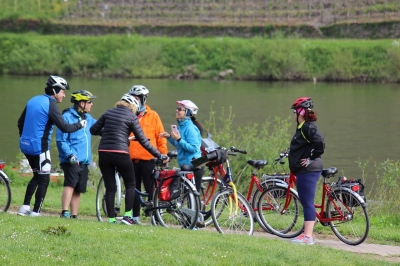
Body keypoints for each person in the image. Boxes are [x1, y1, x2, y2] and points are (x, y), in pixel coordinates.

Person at [90, 93, 168, 225]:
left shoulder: (108, 112)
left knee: (110, 188)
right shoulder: (132, 117)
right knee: (131, 184)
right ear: (133, 106)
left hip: (103, 152)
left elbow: (93, 130)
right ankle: (127, 216)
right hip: (120, 152)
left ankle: (111, 219)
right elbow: (144, 141)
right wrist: (159, 155)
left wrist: (110, 132)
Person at [17, 75, 87, 217]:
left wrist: (25, 138)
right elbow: (65, 127)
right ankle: (36, 212)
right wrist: (80, 125)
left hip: (25, 146)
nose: (64, 95)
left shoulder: (33, 100)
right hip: (40, 148)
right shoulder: (51, 105)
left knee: (37, 175)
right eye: (62, 91)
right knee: (44, 178)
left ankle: (24, 207)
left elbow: (20, 122)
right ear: (55, 91)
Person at [128, 85, 168, 225]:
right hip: (131, 159)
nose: (135, 100)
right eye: (133, 97)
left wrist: (163, 155)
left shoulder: (153, 116)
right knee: (132, 189)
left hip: (149, 159)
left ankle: (154, 218)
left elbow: (161, 138)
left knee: (152, 189)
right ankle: (134, 217)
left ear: (143, 99)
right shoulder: (127, 114)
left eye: (137, 98)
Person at [288, 97, 325, 245]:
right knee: (307, 202)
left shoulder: (307, 127)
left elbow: (320, 143)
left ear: (301, 113)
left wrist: (310, 158)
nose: (293, 115)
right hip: (305, 170)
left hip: (308, 170)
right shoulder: (302, 127)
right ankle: (306, 235)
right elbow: (304, 146)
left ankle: (307, 237)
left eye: (295, 112)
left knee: (307, 202)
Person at [56, 90, 98, 219]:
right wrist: (70, 155)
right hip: (72, 159)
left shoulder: (88, 118)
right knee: (70, 185)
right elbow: (61, 139)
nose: (92, 104)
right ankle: (65, 212)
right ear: (81, 103)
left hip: (84, 160)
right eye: (89, 102)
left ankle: (74, 215)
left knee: (78, 188)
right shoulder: (67, 117)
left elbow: (100, 127)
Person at [159, 100, 205, 193]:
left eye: (180, 109)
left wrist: (179, 139)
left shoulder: (190, 128)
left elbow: (194, 149)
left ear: (187, 112)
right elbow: (179, 145)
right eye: (177, 108)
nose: (176, 110)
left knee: (191, 194)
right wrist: (169, 137)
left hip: (193, 164)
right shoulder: (181, 126)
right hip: (184, 164)